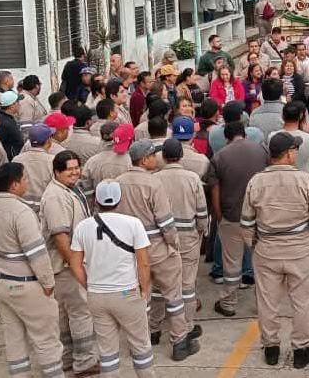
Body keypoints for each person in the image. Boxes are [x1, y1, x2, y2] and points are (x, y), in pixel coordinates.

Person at [241, 132, 309, 369]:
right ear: (289, 154)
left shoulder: (256, 182)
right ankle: (301, 349)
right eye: (295, 150)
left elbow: (246, 223)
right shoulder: (305, 181)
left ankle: (271, 348)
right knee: (301, 303)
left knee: (267, 302)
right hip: (300, 251)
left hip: (266, 251)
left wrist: (254, 246)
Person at [0, 162, 65, 376]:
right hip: (24, 284)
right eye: (25, 178)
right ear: (15, 185)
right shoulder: (22, 212)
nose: (27, 182)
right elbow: (36, 254)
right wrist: (48, 282)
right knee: (46, 339)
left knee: (14, 336)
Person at [116, 140, 196, 361]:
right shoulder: (153, 184)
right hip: (158, 249)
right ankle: (179, 342)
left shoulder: (118, 183)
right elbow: (166, 222)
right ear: (144, 160)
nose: (156, 158)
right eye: (152, 155)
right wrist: (174, 244)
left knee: (142, 298)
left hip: (132, 252)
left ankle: (145, 340)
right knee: (173, 296)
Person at [68, 181, 155, 378]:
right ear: (119, 199)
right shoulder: (133, 224)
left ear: (96, 200)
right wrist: (144, 289)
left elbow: (75, 264)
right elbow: (143, 263)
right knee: (140, 345)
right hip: (127, 293)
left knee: (107, 352)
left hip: (97, 296)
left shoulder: (83, 227)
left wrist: (90, 285)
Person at [39, 150, 98, 377]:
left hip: (69, 263)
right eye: (69, 169)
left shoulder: (69, 189)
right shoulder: (55, 196)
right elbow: (60, 236)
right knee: (80, 312)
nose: (74, 172)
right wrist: (76, 266)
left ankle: (67, 359)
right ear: (57, 172)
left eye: (76, 168)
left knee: (66, 313)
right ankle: (84, 361)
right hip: (66, 265)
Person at [209, 122, 269, 317]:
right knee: (261, 262)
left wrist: (219, 216)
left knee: (232, 262)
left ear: (226, 138)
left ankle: (228, 303)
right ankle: (263, 305)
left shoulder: (219, 156)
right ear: (245, 134)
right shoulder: (262, 152)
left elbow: (215, 189)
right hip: (259, 218)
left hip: (232, 217)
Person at [156, 139, 208, 336]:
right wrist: (202, 230)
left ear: (162, 157)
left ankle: (155, 326)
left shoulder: (155, 179)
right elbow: (201, 211)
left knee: (159, 283)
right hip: (188, 237)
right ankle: (187, 326)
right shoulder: (192, 178)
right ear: (181, 155)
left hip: (161, 237)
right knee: (187, 284)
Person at [79, 123, 133, 202]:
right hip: (125, 205)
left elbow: (86, 189)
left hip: (100, 206)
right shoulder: (130, 161)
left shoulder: (91, 161)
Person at [14, 124, 57, 216]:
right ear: (48, 140)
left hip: (21, 209)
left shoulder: (17, 159)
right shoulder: (53, 161)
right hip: (45, 210)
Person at [270, 101, 309, 174]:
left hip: (279, 177)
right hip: (304, 178)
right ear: (301, 116)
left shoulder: (272, 137)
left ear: (282, 116)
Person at [0, 90, 25, 160]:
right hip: (10, 160)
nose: (20, 104)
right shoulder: (6, 123)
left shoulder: (2, 118)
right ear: (12, 106)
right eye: (18, 102)